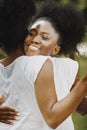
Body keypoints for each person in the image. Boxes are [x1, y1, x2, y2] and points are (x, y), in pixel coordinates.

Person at [0, 0, 87, 130]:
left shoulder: (60, 67)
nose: (35, 40)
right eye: (32, 33)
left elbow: (80, 105)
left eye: (44, 37)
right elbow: (53, 118)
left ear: (56, 49)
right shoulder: (40, 65)